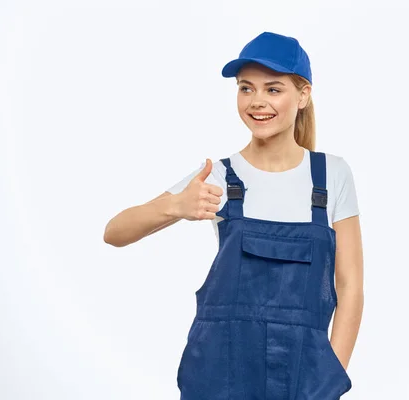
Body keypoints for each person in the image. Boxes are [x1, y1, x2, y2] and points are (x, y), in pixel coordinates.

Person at [104, 31, 364, 399]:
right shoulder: (218, 176)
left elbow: (350, 285)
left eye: (273, 89)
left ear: (302, 95)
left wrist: (329, 379)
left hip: (304, 379)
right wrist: (175, 206)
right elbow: (114, 232)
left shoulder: (331, 175)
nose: (257, 101)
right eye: (246, 88)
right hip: (220, 376)